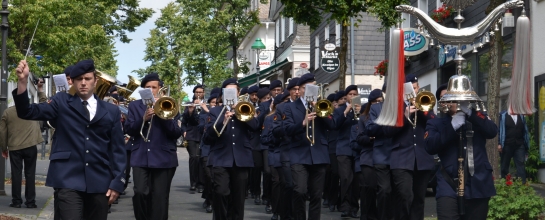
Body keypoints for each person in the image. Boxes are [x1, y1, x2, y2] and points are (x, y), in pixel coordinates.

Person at [12, 59, 126, 219]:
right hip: (67, 179)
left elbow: (118, 150)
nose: (83, 83)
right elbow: (27, 112)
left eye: (87, 78)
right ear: (72, 81)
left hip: (100, 182)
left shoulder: (111, 111)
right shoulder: (61, 102)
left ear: (96, 81)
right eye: (79, 79)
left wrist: (117, 182)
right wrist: (23, 82)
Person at [425, 83, 497, 219]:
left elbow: (492, 131)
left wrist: (470, 113)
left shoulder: (477, 117)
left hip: (477, 182)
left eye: (452, 97)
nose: (449, 101)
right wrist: (452, 126)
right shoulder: (436, 123)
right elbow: (430, 146)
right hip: (448, 183)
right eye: (444, 98)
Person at [124, 72, 182, 220]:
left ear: (160, 89)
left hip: (164, 158)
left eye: (154, 87)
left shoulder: (169, 104)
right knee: (140, 193)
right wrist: (143, 119)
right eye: (147, 87)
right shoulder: (134, 106)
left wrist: (163, 115)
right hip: (140, 156)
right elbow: (129, 130)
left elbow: (176, 132)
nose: (150, 90)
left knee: (160, 199)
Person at [203, 78, 259, 220]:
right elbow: (207, 137)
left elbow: (255, 126)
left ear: (238, 93)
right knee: (221, 192)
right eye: (228, 90)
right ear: (223, 94)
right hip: (220, 158)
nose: (231, 93)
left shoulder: (245, 108)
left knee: (238, 198)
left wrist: (240, 111)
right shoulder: (215, 111)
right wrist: (223, 121)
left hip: (241, 158)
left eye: (234, 90)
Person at [282, 73, 334, 220]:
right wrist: (302, 123)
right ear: (300, 90)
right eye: (306, 88)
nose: (309, 91)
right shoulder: (290, 107)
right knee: (299, 190)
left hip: (319, 154)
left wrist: (318, 109)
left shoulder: (322, 105)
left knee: (317, 195)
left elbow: (333, 124)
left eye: (313, 88)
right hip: (299, 153)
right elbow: (286, 130)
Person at [0, 79, 47, 208]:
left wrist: (4, 148)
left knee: (16, 174)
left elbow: (2, 131)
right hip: (31, 146)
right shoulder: (32, 109)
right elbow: (45, 105)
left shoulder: (8, 112)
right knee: (30, 174)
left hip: (15, 147)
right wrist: (40, 89)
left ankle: (16, 201)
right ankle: (30, 202)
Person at [272, 77, 299, 220]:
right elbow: (275, 131)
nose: (297, 92)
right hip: (288, 150)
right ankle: (285, 216)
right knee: (289, 185)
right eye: (294, 89)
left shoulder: (309, 106)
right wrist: (290, 127)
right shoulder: (282, 107)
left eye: (298, 89)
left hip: (304, 150)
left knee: (300, 189)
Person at [333, 85, 360, 218]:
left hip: (358, 149)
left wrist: (360, 113)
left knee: (356, 180)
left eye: (355, 94)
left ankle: (354, 207)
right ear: (346, 97)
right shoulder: (340, 110)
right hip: (343, 148)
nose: (353, 96)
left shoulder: (362, 109)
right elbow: (335, 125)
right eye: (350, 94)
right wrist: (346, 111)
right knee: (345, 178)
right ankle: (345, 206)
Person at [356, 89, 383, 220]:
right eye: (375, 102)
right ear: (370, 104)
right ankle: (368, 215)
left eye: (380, 101)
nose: (378, 104)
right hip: (368, 157)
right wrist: (371, 138)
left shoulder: (385, 115)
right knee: (370, 188)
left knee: (383, 190)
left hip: (383, 155)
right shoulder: (363, 118)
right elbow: (360, 138)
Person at [199, 87, 221, 213]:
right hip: (207, 150)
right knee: (209, 177)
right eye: (213, 103)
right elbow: (201, 128)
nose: (215, 105)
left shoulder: (226, 113)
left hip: (220, 151)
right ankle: (210, 200)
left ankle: (213, 201)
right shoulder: (204, 114)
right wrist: (209, 113)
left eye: (216, 103)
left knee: (217, 179)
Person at [183, 84, 205, 193]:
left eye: (201, 92)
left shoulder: (207, 104)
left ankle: (201, 183)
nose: (199, 94)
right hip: (192, 135)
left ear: (204, 93)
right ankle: (193, 182)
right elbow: (184, 121)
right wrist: (191, 111)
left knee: (201, 158)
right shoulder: (189, 104)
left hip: (203, 135)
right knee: (194, 158)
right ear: (194, 93)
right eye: (197, 92)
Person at [498, 110, 529, 183]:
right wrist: (499, 143)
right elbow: (500, 130)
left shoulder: (521, 115)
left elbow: (525, 130)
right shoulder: (503, 115)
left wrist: (526, 143)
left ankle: (522, 185)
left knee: (521, 164)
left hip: (519, 144)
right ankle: (505, 184)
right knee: (504, 165)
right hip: (507, 144)